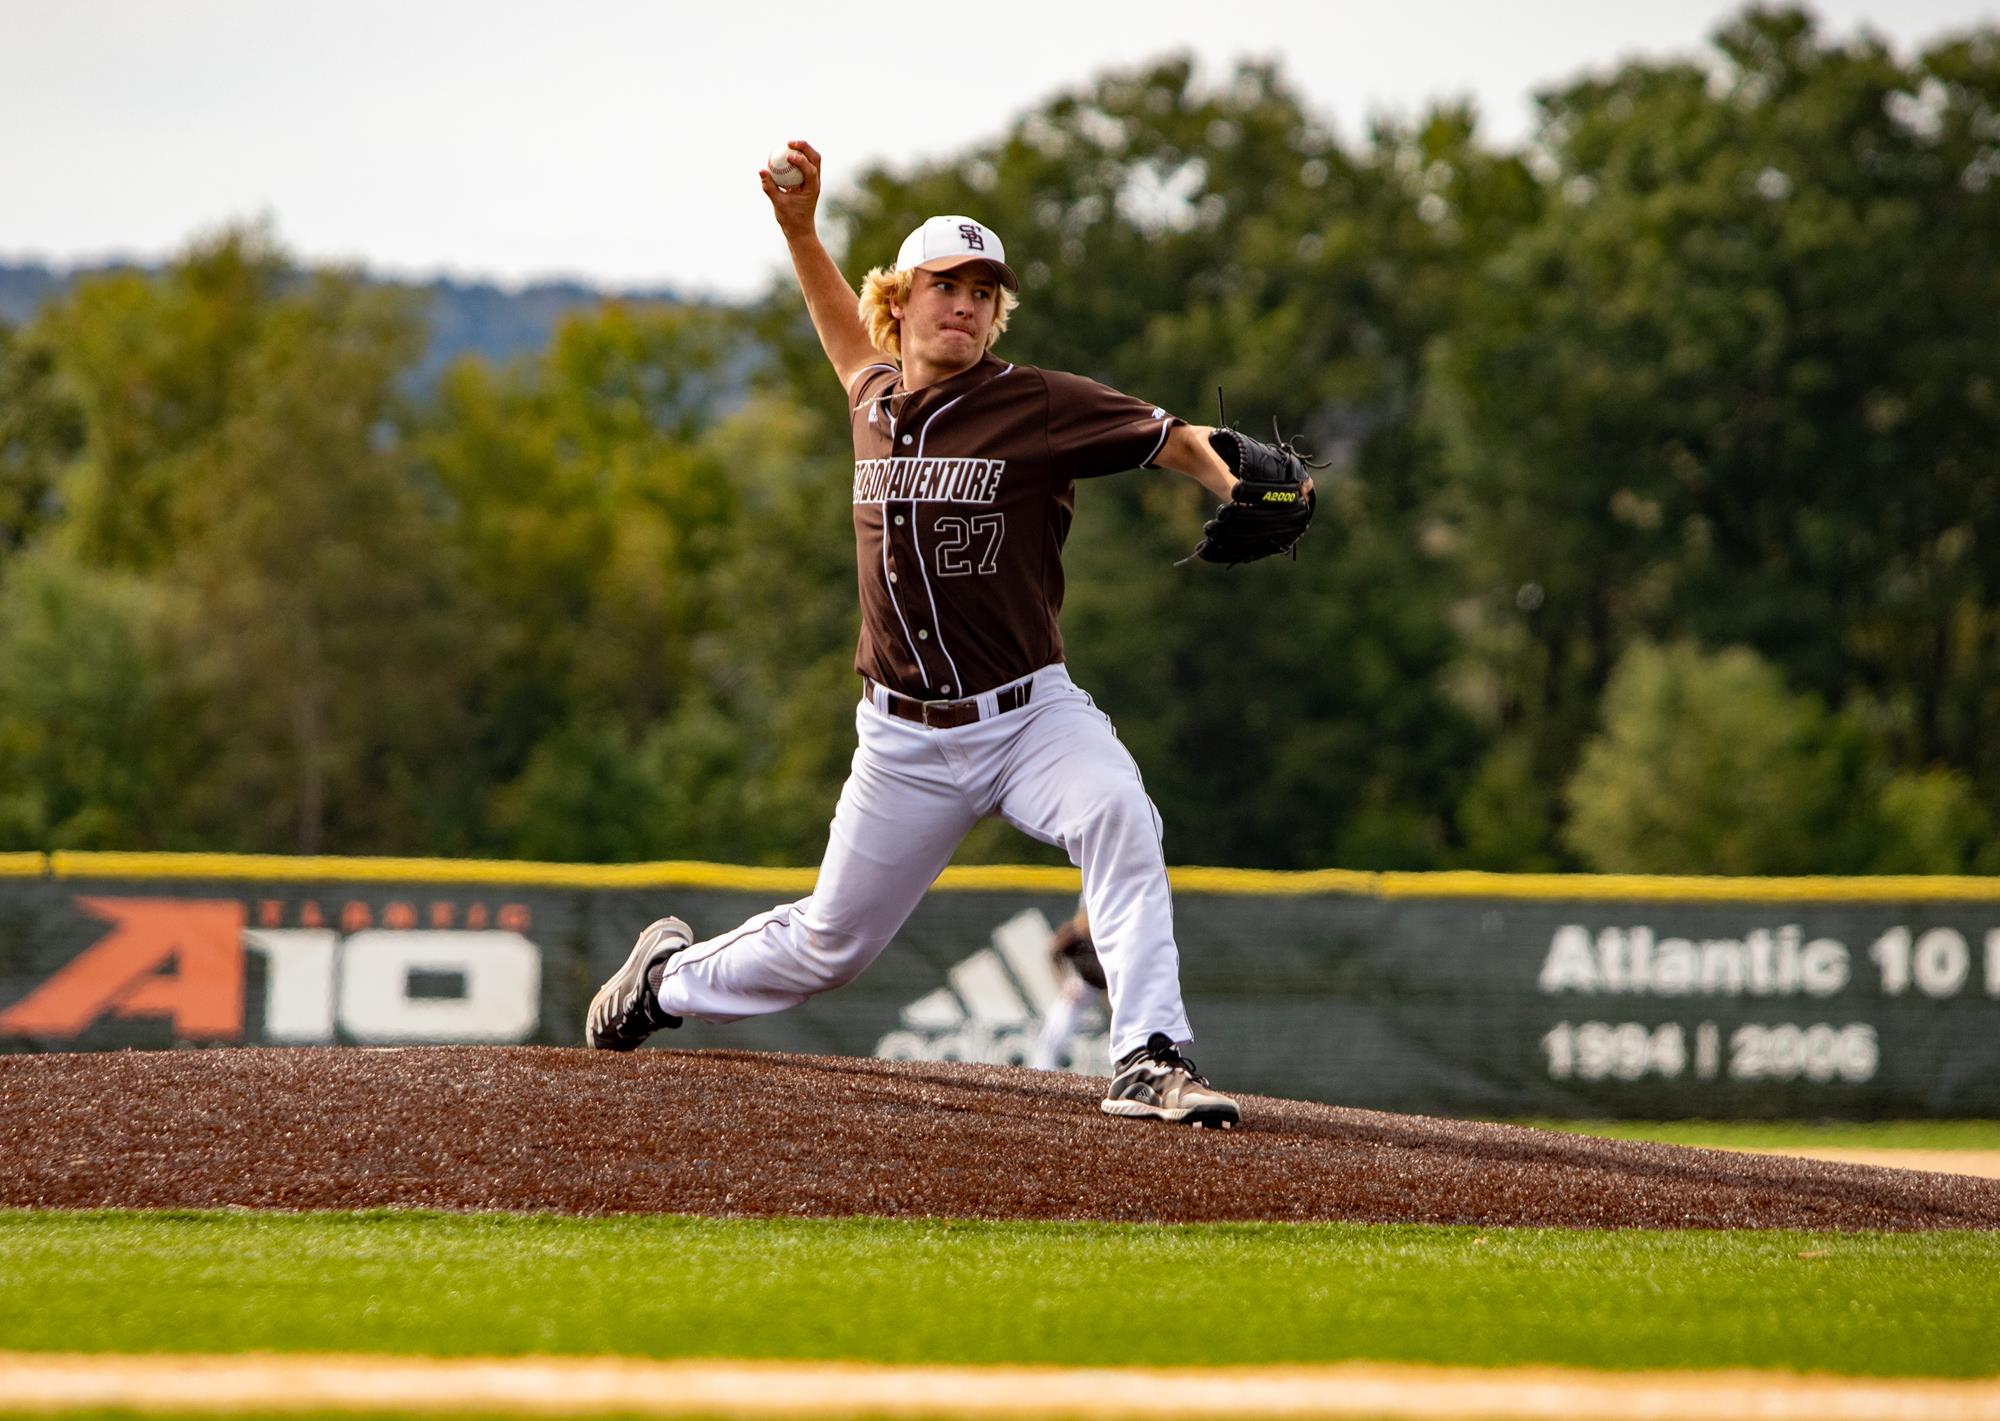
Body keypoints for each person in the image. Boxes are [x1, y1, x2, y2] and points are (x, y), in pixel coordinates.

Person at [588, 140, 1306, 1128]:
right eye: (945, 285)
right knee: (826, 945)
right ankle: (663, 981)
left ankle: (1147, 1054)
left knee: (1120, 817)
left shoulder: (1035, 402)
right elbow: (838, 329)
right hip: (902, 740)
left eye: (983, 290)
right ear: (902, 299)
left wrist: (1245, 485)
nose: (965, 303)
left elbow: (1174, 437)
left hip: (1026, 719)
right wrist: (799, 231)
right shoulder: (872, 398)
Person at [1029, 905, 1105, 1073]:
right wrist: (1064, 982)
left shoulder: (1107, 931)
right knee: (1056, 1030)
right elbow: (1053, 952)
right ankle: (1041, 1070)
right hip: (1081, 987)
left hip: (1099, 992)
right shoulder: (1075, 930)